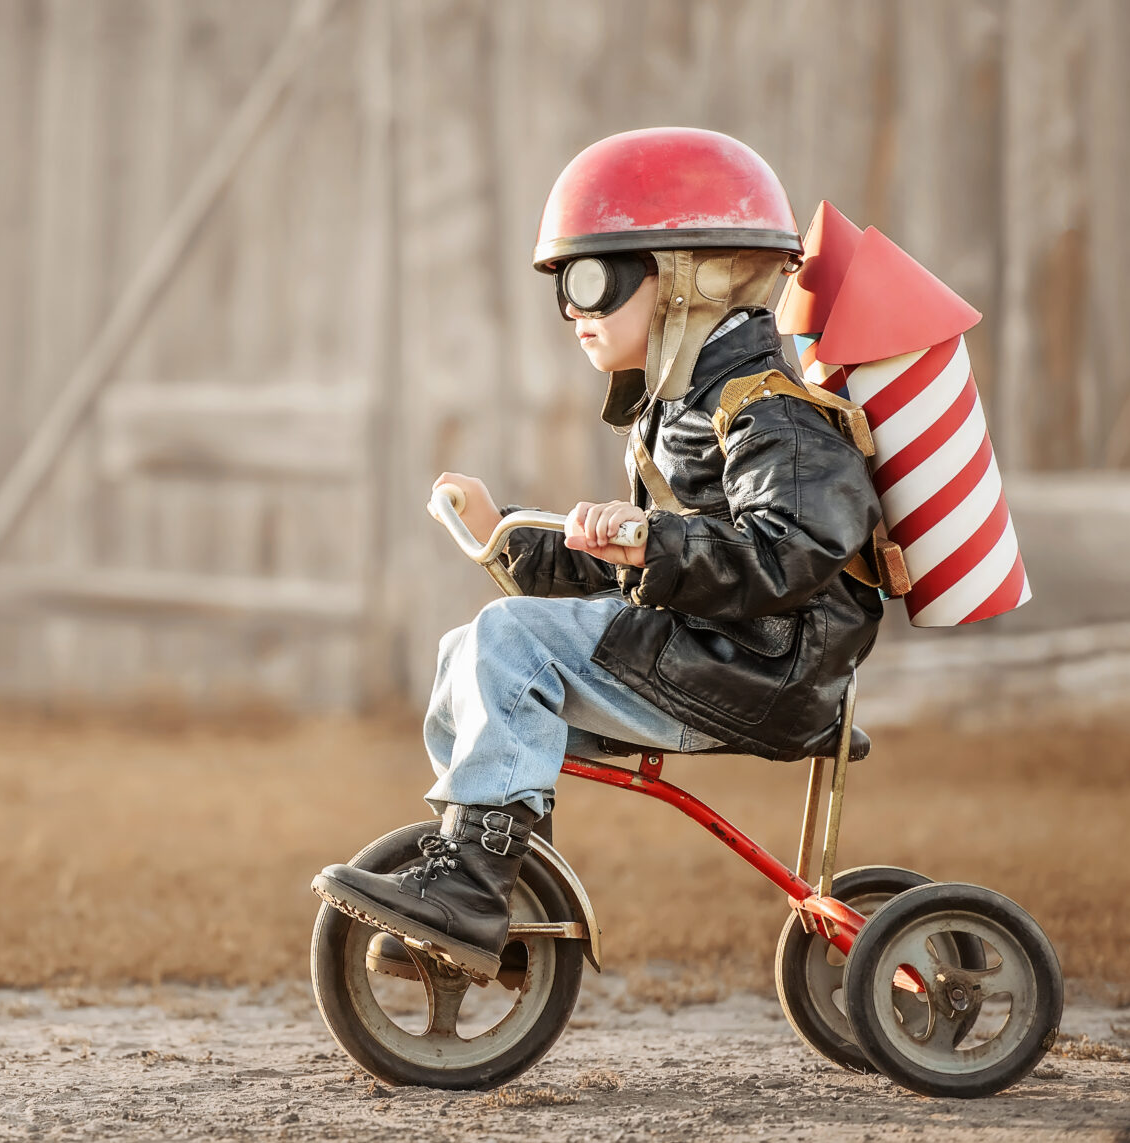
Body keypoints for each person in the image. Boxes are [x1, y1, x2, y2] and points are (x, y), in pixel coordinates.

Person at [313, 128, 890, 983]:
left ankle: (473, 891)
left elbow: (792, 551)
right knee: (465, 652)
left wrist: (652, 539)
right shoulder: (681, 408)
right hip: (715, 652)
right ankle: (491, 885)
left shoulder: (769, 414)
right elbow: (636, 564)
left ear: (691, 277)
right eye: (566, 287)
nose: (574, 309)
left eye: (594, 279)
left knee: (505, 638)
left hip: (765, 670)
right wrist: (513, 530)